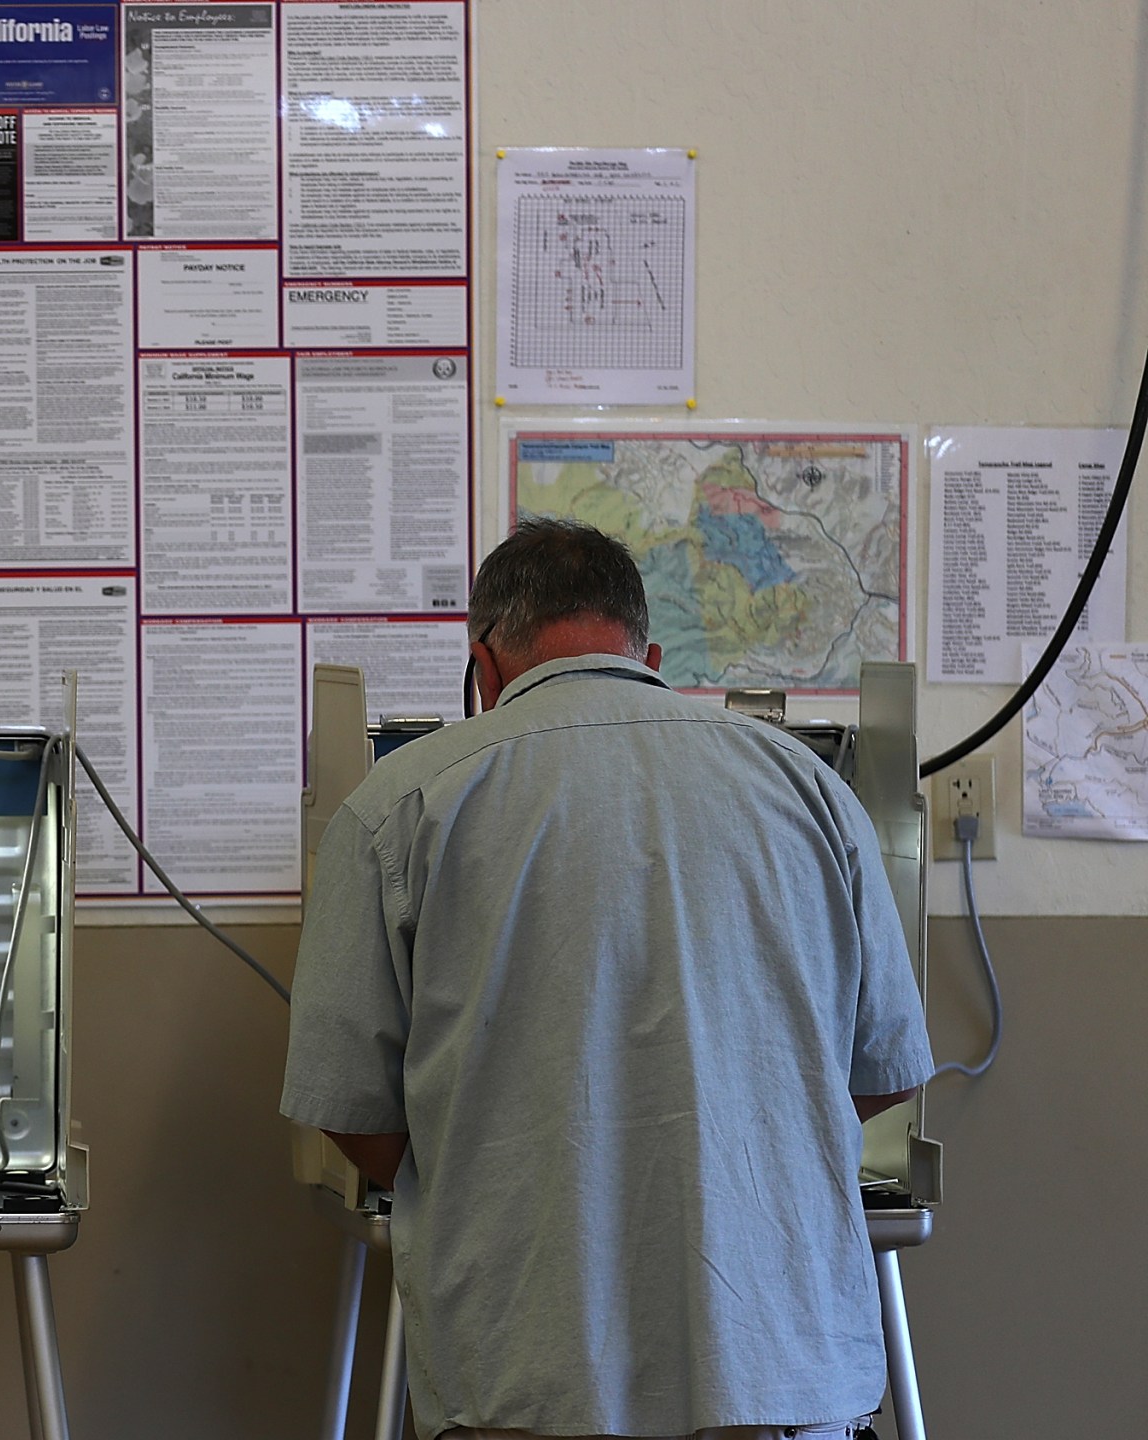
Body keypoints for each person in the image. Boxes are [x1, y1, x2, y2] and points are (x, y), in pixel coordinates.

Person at [281, 519, 934, 1440]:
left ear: (486, 666)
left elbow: (348, 1109)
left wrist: (490, 1168)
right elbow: (889, 1072)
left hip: (527, 1372)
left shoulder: (397, 805)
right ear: (650, 655)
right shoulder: (812, 790)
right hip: (781, 1366)